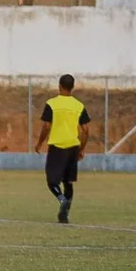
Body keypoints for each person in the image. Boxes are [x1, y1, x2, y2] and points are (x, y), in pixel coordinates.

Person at [34, 74, 91, 224]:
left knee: (52, 181)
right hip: (73, 146)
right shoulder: (79, 106)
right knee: (68, 182)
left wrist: (40, 142)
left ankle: (62, 200)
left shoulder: (52, 104)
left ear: (59, 86)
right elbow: (85, 129)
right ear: (72, 87)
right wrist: (82, 148)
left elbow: (47, 125)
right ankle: (64, 215)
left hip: (57, 146)